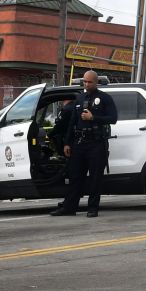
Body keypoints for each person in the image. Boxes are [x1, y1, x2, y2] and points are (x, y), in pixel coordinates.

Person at [51, 71, 116, 217]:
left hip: (96, 143)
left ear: (96, 81)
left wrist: (93, 117)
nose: (87, 84)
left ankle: (92, 208)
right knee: (75, 176)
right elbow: (72, 122)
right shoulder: (79, 98)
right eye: (85, 82)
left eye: (90, 82)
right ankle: (69, 208)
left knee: (95, 178)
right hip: (79, 143)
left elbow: (113, 118)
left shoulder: (105, 98)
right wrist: (67, 143)